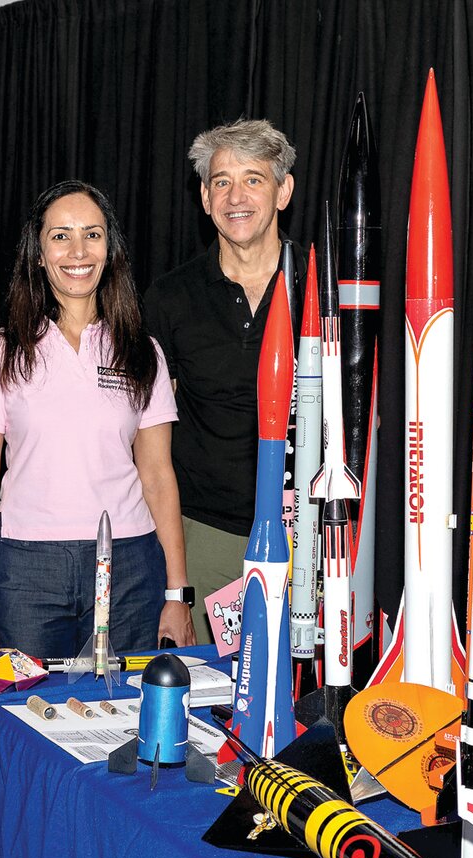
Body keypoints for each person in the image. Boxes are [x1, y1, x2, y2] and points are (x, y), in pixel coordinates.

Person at [0, 180, 195, 660]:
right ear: (39, 254)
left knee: (124, 713)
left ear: (110, 251)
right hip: (26, 568)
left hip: (130, 562)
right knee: (26, 713)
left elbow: (158, 476)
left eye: (93, 234)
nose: (78, 250)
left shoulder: (141, 352)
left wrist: (176, 593)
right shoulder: (0, 352)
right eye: (60, 236)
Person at [144, 119, 298, 644]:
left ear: (283, 191)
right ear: (205, 198)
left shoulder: (323, 288)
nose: (237, 196)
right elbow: (147, 437)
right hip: (205, 534)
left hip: (308, 534)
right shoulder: (171, 298)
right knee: (208, 702)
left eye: (254, 179)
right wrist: (175, 586)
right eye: (221, 181)